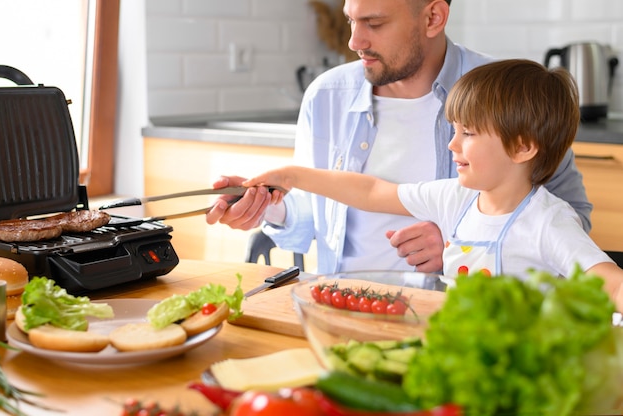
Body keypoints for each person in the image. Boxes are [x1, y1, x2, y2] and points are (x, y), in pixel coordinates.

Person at [205, 0, 592, 275]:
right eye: (351, 20)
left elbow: (570, 224)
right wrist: (266, 204)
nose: (354, 42)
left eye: (374, 23)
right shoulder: (326, 96)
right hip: (339, 310)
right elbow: (321, 216)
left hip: (442, 324)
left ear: (433, 17)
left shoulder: (500, 93)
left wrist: (469, 246)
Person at [243, 59, 623, 309]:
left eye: (469, 133)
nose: (452, 144)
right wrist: (292, 176)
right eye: (454, 129)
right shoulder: (455, 198)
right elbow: (372, 191)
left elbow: (609, 283)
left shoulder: (549, 221)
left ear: (522, 147)